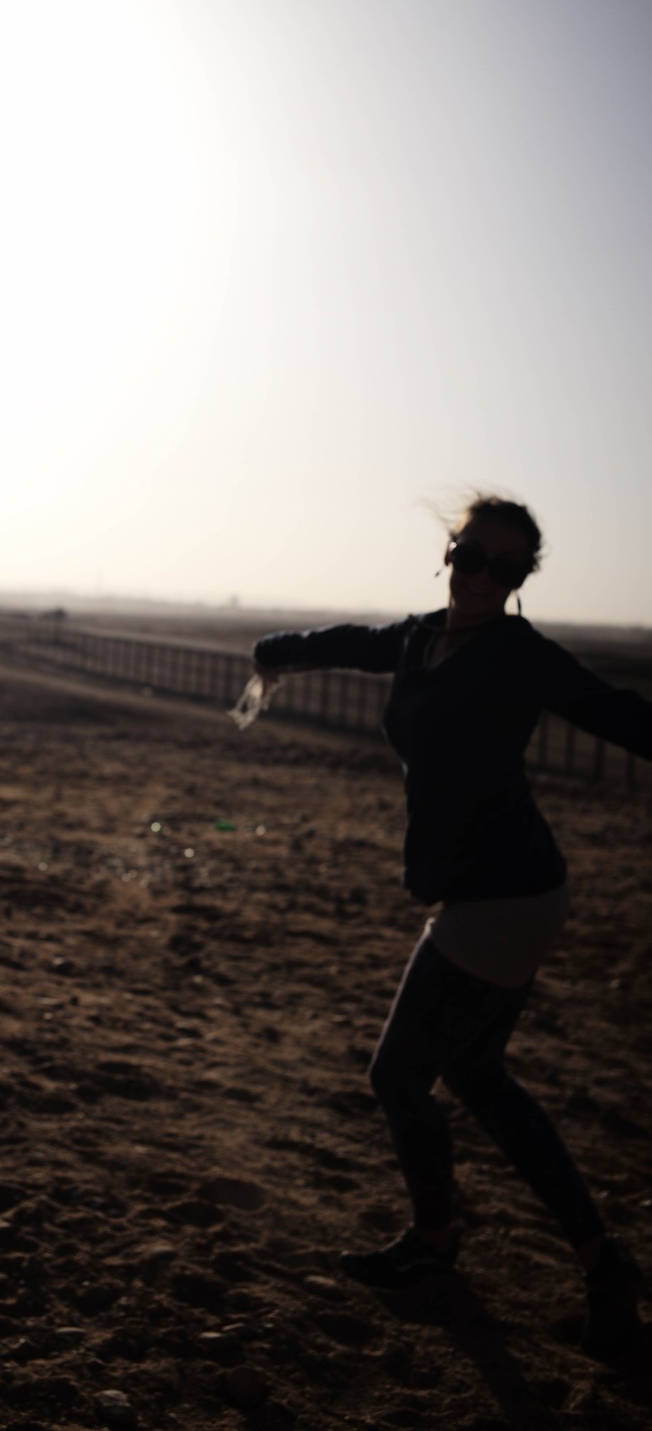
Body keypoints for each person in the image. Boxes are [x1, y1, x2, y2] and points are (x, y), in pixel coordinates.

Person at [249, 494, 652, 1357]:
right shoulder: (414, 636)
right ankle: (602, 1261)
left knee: (399, 1077)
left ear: (521, 582)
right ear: (450, 552)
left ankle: (438, 1244)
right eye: (470, 558)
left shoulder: (519, 656)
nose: (481, 579)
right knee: (477, 1078)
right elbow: (344, 642)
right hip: (491, 893)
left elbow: (618, 713)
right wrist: (270, 653)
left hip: (506, 899)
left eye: (503, 570)